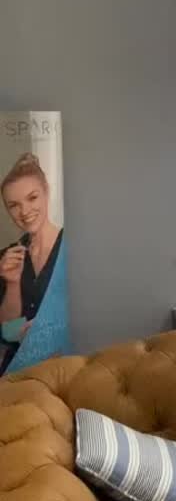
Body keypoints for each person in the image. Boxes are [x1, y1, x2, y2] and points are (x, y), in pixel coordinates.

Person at [0, 153, 63, 372]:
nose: (24, 211)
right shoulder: (7, 258)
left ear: (46, 193)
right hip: (17, 373)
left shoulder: (74, 248)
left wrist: (48, 329)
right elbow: (8, 333)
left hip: (64, 369)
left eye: (32, 198)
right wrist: (12, 283)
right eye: (14, 205)